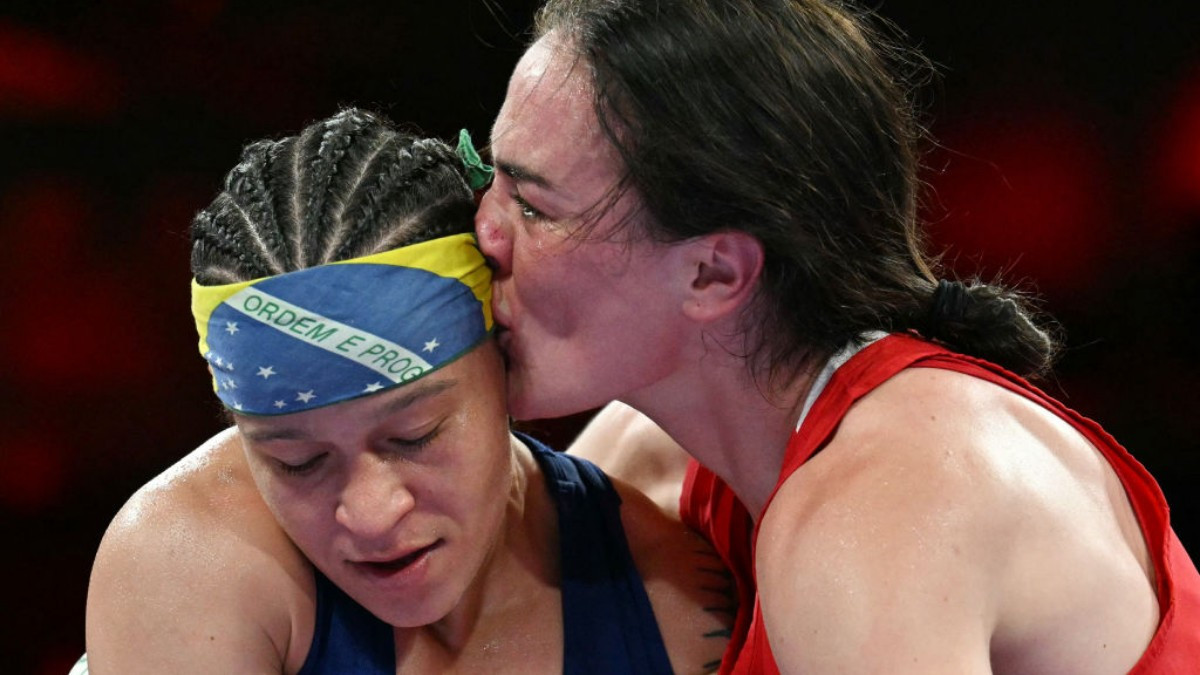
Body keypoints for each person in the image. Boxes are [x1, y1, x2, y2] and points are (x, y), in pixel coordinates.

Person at [473, 0, 1200, 672]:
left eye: (533, 205)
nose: (484, 230)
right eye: (489, 177)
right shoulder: (646, 461)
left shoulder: (880, 513)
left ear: (713, 274)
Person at [83, 108, 732, 674]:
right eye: (297, 462)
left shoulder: (669, 598)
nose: (371, 514)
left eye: (414, 434)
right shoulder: (185, 567)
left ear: (507, 354)